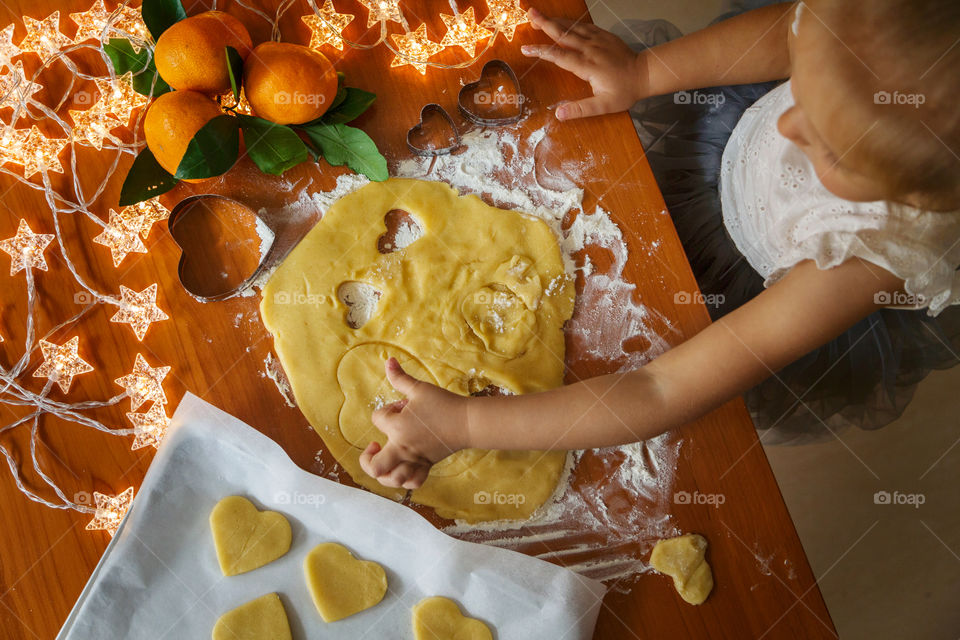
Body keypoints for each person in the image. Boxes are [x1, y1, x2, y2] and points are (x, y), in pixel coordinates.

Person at [359, 1, 960, 490]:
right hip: (710, 147)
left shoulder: (871, 254)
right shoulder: (880, 34)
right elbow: (784, 32)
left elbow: (660, 388)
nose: (785, 124)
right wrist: (645, 76)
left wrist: (464, 422)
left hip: (730, 284)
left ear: (916, 197)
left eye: (828, 149)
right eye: (801, 88)